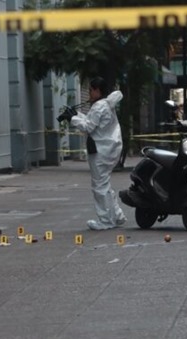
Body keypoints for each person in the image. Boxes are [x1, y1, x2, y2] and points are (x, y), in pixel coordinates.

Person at [70, 77, 127, 230]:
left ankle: (106, 221)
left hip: (101, 151)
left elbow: (88, 127)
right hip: (110, 148)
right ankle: (117, 215)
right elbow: (92, 121)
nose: (89, 93)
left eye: (90, 90)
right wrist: (76, 115)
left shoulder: (99, 106)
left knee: (99, 186)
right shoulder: (106, 105)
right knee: (105, 184)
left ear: (97, 90)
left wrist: (72, 118)